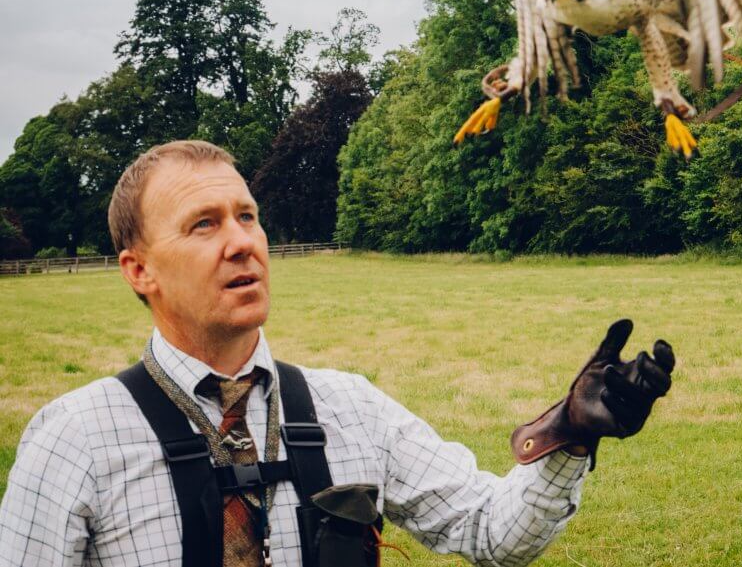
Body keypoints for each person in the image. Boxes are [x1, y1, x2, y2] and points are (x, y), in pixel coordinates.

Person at [0, 140, 674, 566]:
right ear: (138, 269)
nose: (241, 241)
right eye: (203, 224)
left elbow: (489, 531)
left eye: (246, 215)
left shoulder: (350, 407)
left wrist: (569, 434)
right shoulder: (76, 440)